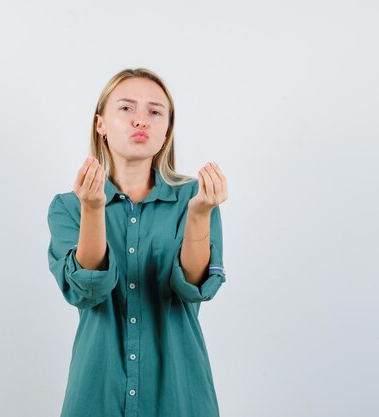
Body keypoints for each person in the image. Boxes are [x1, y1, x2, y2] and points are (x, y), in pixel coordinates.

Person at [46, 67, 228, 417]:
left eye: (155, 112)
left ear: (167, 131)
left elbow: (194, 286)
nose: (140, 120)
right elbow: (88, 290)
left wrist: (201, 213)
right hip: (97, 394)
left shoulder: (195, 198)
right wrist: (94, 208)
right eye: (127, 108)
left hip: (180, 395)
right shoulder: (69, 207)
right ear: (100, 124)